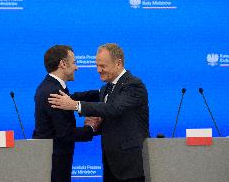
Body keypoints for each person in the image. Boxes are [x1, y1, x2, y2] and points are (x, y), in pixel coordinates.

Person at [48, 43, 149, 182]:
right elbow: (91, 95)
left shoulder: (133, 85)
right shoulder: (108, 87)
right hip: (111, 164)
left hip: (130, 167)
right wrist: (61, 95)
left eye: (103, 66)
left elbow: (114, 109)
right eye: (97, 65)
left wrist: (75, 105)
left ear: (118, 63)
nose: (98, 70)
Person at [32, 45, 101, 182]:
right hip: (55, 163)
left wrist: (101, 93)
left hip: (49, 158)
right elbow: (65, 133)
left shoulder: (50, 86)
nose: (77, 67)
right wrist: (91, 128)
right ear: (63, 64)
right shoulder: (53, 93)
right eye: (74, 63)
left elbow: (71, 98)